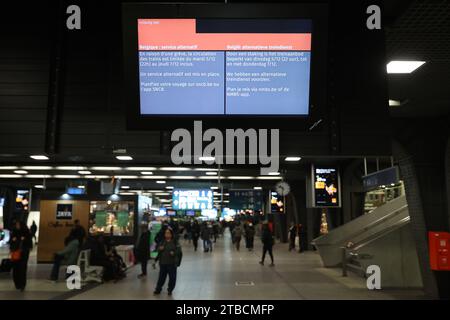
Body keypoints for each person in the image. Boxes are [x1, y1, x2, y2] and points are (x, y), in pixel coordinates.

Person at [154, 228, 182, 295]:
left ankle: (170, 290)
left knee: (172, 278)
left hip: (172, 263)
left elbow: (179, 251)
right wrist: (159, 249)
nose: (167, 234)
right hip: (163, 263)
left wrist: (174, 253)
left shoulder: (175, 242)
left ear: (171, 234)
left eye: (169, 233)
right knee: (161, 277)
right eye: (166, 233)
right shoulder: (162, 242)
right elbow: (157, 249)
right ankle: (158, 289)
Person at [9, 221, 33, 291]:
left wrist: (24, 239)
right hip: (16, 253)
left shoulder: (26, 232)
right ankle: (17, 283)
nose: (17, 226)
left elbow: (29, 243)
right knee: (15, 268)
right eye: (16, 224)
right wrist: (13, 240)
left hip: (24, 253)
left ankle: (22, 284)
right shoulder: (14, 232)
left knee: (22, 268)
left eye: (18, 225)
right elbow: (11, 242)